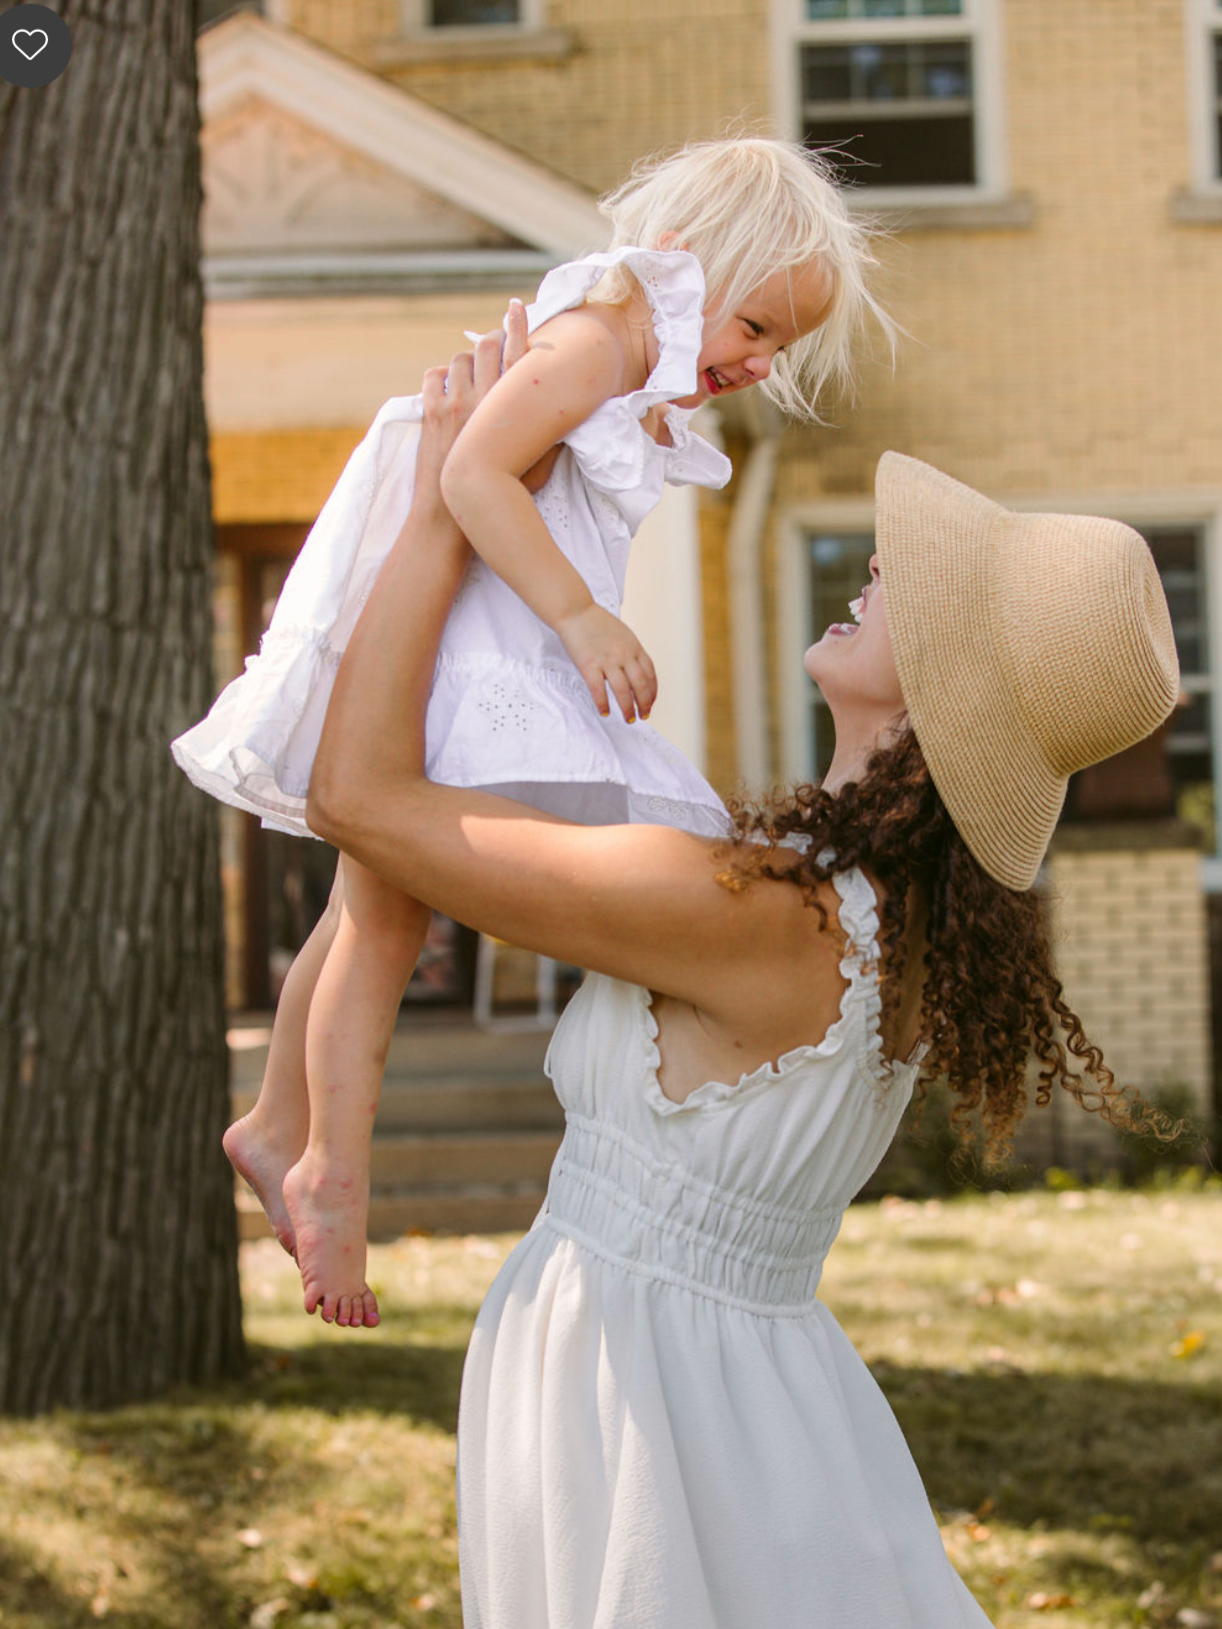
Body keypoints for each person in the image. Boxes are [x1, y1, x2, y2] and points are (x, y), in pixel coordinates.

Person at [303, 325, 1179, 1626]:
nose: (882, 564)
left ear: (944, 706)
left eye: (922, 591)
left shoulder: (773, 916)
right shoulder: (873, 912)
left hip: (657, 1415)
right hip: (731, 1402)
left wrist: (445, 512)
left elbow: (357, 799)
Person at [172, 136, 889, 1327]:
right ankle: (330, 1170)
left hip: (471, 617)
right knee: (387, 912)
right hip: (453, 616)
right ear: (683, 264)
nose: (759, 362)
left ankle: (283, 1125)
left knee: (369, 905)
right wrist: (577, 617)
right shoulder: (596, 340)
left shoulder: (632, 364)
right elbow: (473, 476)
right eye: (754, 326)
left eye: (780, 347)